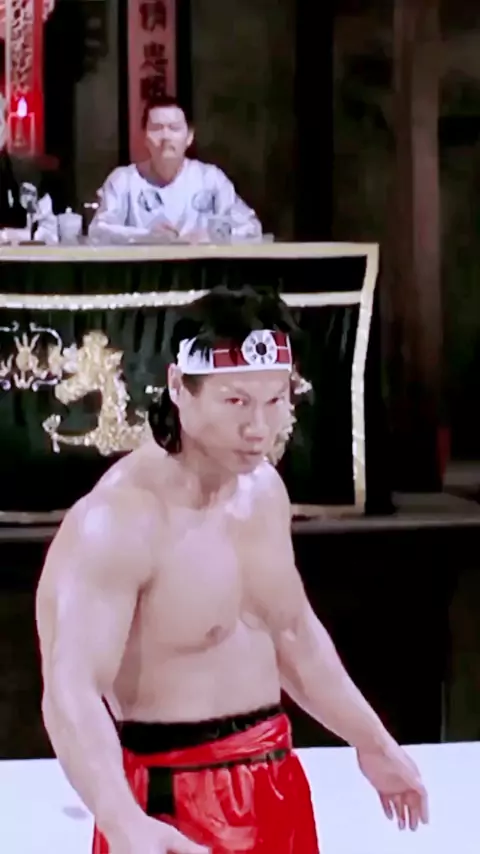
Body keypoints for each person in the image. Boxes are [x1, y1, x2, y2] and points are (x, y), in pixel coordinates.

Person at [36, 285, 428, 854]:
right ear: (179, 387)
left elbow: (292, 634)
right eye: (237, 402)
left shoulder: (263, 491)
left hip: (275, 778)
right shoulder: (118, 521)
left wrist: (372, 741)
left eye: (276, 400)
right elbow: (71, 691)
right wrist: (123, 821)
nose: (259, 428)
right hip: (172, 795)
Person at [89, 96, 261, 243]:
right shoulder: (124, 180)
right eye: (157, 128)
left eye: (174, 128)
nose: (165, 136)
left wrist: (210, 236)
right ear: (144, 136)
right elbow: (98, 232)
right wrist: (146, 236)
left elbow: (251, 229)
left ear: (189, 137)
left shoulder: (210, 179)